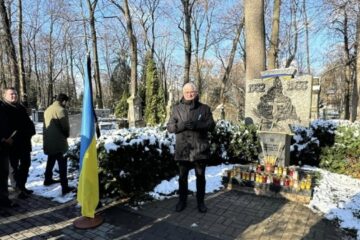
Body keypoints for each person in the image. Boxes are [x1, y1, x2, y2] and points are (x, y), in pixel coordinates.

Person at [167, 82, 215, 213]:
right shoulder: (176, 109)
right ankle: (182, 201)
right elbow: (170, 128)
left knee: (200, 178)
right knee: (182, 178)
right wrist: (181, 126)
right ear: (183, 93)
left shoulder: (204, 108)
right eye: (187, 92)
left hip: (200, 150)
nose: (190, 94)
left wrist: (197, 125)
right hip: (183, 150)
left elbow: (211, 125)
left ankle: (201, 202)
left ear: (196, 92)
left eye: (192, 91)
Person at [2, 87, 35, 199]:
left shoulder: (21, 107)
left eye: (15, 94)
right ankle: (17, 190)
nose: (14, 96)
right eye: (11, 94)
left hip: (25, 143)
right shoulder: (3, 108)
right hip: (12, 144)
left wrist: (31, 131)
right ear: (5, 96)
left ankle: (22, 186)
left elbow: (28, 123)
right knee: (14, 169)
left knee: (26, 164)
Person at [43, 93, 74, 195]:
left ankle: (47, 179)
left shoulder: (48, 109)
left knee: (51, 159)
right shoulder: (61, 110)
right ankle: (64, 187)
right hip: (59, 142)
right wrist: (67, 135)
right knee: (62, 163)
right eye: (66, 102)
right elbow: (65, 127)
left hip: (48, 140)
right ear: (64, 101)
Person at [0, 97, 18, 208]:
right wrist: (2, 139)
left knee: (3, 175)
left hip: (4, 148)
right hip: (2, 143)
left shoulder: (2, 106)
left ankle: (4, 199)